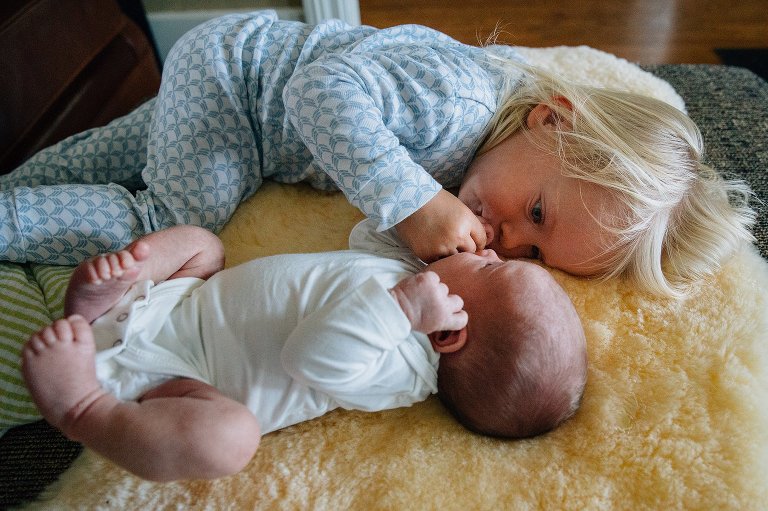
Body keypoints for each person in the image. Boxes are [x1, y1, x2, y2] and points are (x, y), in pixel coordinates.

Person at [1, 11, 754, 295]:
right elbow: (318, 91)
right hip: (241, 89)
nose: (507, 239)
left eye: (534, 254)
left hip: (227, 73)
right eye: (535, 213)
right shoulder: (457, 100)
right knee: (165, 220)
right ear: (551, 118)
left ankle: (16, 188)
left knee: (107, 153)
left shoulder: (492, 158)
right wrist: (411, 199)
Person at [21, 220, 587, 482]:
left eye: (493, 271)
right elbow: (365, 235)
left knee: (229, 439)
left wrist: (400, 311)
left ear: (449, 333)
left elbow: (312, 358)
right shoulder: (413, 275)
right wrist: (424, 222)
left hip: (174, 380)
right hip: (180, 302)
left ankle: (84, 407)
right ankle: (102, 303)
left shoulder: (403, 364)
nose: (491, 254)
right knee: (202, 244)